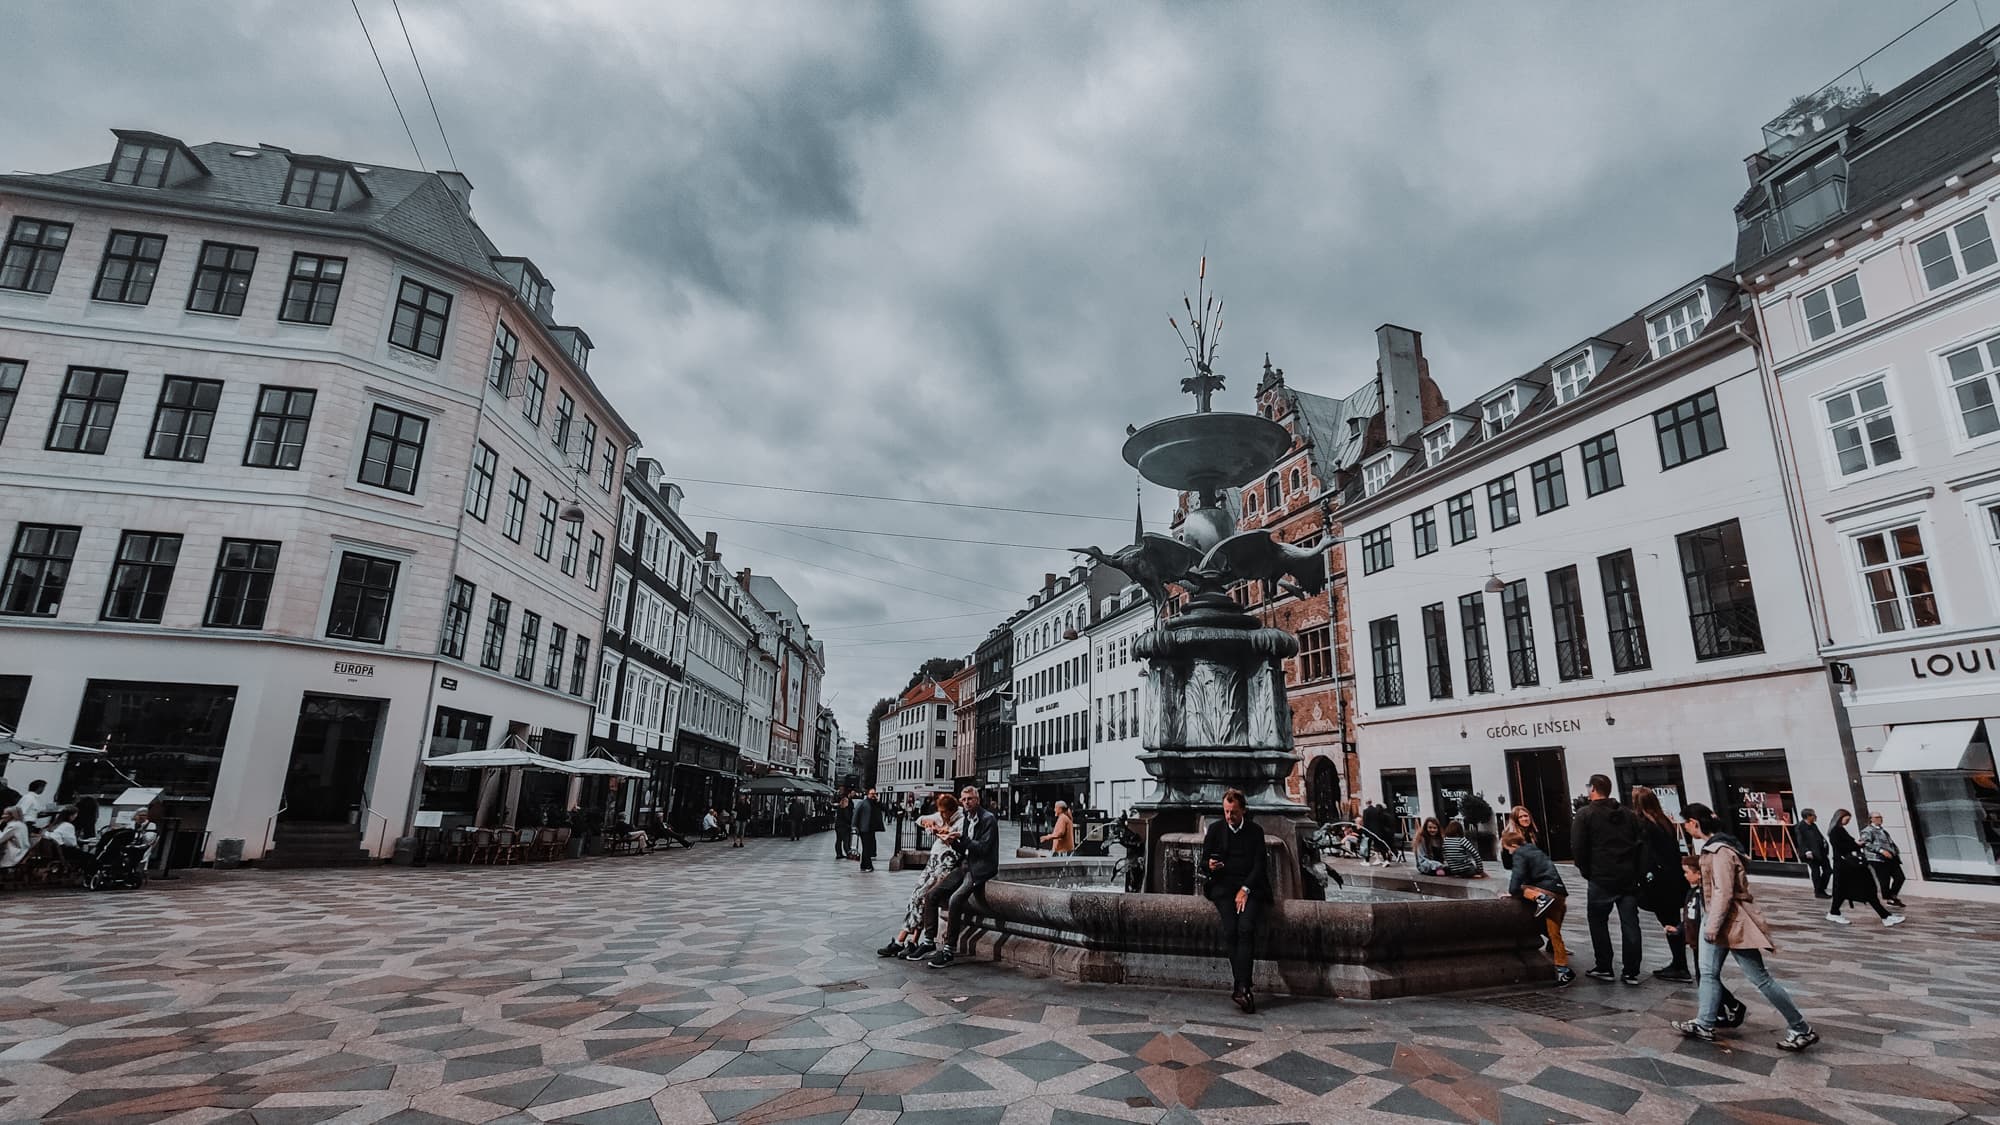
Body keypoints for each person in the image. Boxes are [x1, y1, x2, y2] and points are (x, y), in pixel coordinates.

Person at [1671, 802, 1819, 1052]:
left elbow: (1723, 891)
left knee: (1759, 978)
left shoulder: (1719, 851)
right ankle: (1705, 1022)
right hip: (1717, 917)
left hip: (1731, 921)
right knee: (1707, 972)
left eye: (1685, 823)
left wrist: (1712, 925)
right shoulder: (1715, 847)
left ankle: (1801, 1028)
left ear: (1695, 823)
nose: (1685, 828)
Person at [1199, 789, 1270, 1012]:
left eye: (1234, 812)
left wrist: (1246, 889)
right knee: (1230, 930)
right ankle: (1242, 986)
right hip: (1223, 888)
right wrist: (1209, 865)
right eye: (1226, 812)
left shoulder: (1255, 831)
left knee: (1246, 929)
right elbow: (1203, 861)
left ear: (1243, 811)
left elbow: (1260, 865)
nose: (1229, 817)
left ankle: (1241, 986)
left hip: (1250, 888)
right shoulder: (1215, 830)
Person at [1571, 773, 1645, 986]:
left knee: (1598, 922)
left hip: (1601, 877)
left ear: (1593, 789)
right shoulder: (1628, 814)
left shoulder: (1585, 814)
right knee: (1631, 924)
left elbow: (1578, 846)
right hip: (1627, 877)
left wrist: (1586, 871)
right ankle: (1631, 971)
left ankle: (1604, 966)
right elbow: (1639, 843)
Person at [878, 793, 964, 962]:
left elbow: (956, 837)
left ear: (951, 810)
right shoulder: (941, 815)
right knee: (915, 896)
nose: (942, 816)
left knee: (923, 897)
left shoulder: (961, 819)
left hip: (947, 860)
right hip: (934, 859)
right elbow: (921, 819)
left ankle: (902, 940)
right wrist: (929, 823)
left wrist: (944, 833)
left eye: (944, 813)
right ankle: (911, 941)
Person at [1669, 853, 1747, 1029]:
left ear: (1699, 874)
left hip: (1703, 940)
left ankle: (1727, 1006)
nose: (1685, 875)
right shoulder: (1692, 892)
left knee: (1706, 978)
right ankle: (1718, 1010)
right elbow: (1689, 917)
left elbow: (1701, 917)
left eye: (1687, 872)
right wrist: (1680, 929)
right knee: (1705, 977)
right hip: (1695, 940)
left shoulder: (1704, 895)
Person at [927, 785, 998, 968]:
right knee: (932, 895)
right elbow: (966, 848)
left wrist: (962, 839)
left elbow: (983, 849)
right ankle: (928, 941)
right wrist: (952, 842)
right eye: (964, 800)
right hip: (966, 864)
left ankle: (949, 949)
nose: (966, 803)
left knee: (955, 899)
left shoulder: (988, 819)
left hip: (980, 868)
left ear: (978, 799)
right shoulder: (967, 818)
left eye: (970, 799)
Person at [1632, 786, 1693, 983]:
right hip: (1674, 878)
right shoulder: (1663, 821)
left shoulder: (1644, 825)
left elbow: (1644, 855)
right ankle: (1678, 962)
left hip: (1659, 882)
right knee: (1673, 919)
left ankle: (1680, 965)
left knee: (1669, 922)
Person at [1502, 826, 1571, 985]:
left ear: (1513, 846)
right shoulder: (1535, 850)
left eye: (1508, 850)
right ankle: (1563, 969)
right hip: (1559, 893)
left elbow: (1517, 876)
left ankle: (1540, 898)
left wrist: (1513, 892)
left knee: (1520, 888)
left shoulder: (1519, 853)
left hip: (1546, 892)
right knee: (1554, 934)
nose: (1509, 853)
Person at [1827, 809, 1903, 926]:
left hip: (1847, 867)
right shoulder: (1836, 832)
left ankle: (1834, 912)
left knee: (1842, 892)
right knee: (1867, 890)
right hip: (1848, 867)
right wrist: (1856, 845)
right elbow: (1842, 847)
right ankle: (1885, 916)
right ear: (1840, 817)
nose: (1848, 821)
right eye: (1847, 819)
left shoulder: (1839, 830)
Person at [1859, 813, 1907, 907]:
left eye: (1880, 817)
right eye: (1877, 817)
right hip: (1878, 859)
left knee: (1900, 877)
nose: (1879, 819)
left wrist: (1895, 852)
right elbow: (1865, 843)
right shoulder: (1867, 831)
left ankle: (1892, 896)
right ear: (1871, 819)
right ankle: (1889, 898)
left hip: (1890, 857)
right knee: (1884, 879)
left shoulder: (1882, 830)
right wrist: (1881, 851)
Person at [1795, 809, 1831, 899]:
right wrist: (1806, 851)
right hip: (1811, 854)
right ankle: (1819, 891)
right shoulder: (1800, 827)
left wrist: (1825, 844)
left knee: (1828, 870)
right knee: (1816, 872)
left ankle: (1821, 888)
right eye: (1813, 815)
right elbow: (1800, 840)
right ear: (1808, 816)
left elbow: (1819, 836)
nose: (1815, 817)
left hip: (1821, 852)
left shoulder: (1813, 825)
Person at [1360, 801, 1398, 866]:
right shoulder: (1376, 810)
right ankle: (1385, 860)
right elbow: (1380, 821)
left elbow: (1365, 823)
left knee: (1367, 847)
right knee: (1380, 846)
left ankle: (1367, 861)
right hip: (1378, 832)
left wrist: (1364, 832)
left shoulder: (1366, 811)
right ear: (1371, 802)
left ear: (1366, 803)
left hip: (1369, 832)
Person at [855, 787, 883, 871]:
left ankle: (863, 865)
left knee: (867, 848)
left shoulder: (875, 804)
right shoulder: (863, 803)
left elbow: (884, 808)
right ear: (867, 794)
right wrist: (854, 826)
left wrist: (878, 801)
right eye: (871, 793)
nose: (873, 795)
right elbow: (856, 815)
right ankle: (868, 866)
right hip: (864, 829)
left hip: (872, 829)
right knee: (867, 848)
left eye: (874, 794)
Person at [835, 789, 854, 860]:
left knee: (838, 840)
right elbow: (847, 818)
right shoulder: (845, 809)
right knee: (846, 841)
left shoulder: (839, 808)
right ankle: (848, 853)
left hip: (838, 826)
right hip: (844, 827)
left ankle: (838, 854)